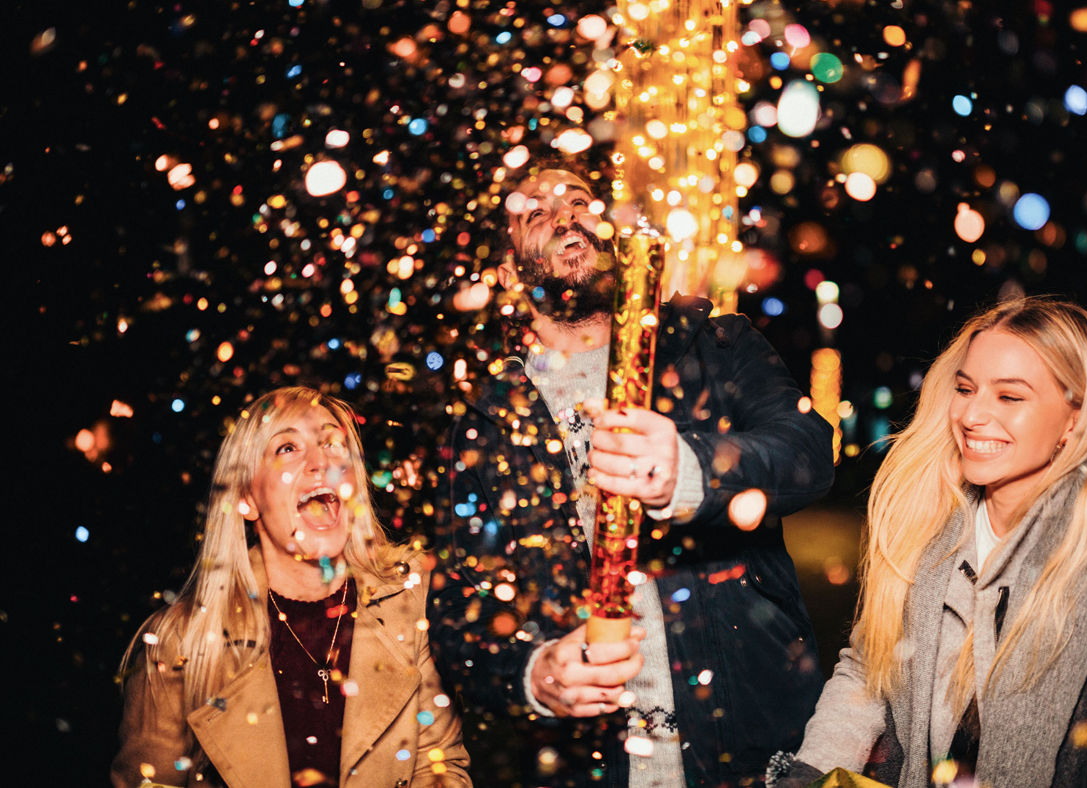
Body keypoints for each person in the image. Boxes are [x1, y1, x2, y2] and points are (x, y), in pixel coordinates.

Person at [429, 166, 834, 786]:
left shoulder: (713, 344)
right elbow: (462, 609)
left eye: (581, 202)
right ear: (510, 273)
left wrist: (693, 469)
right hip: (594, 764)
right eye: (537, 213)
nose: (567, 217)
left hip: (747, 748)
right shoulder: (488, 419)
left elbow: (808, 452)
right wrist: (532, 674)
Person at [772, 297, 1087, 788]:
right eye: (965, 388)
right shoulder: (925, 520)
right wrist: (807, 777)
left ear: (1075, 417)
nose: (972, 415)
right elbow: (870, 673)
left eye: (1010, 397)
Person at [113, 386, 470, 788]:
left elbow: (440, 770)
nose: (321, 463)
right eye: (287, 448)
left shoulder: (413, 602)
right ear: (246, 497)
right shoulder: (183, 641)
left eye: (334, 444)